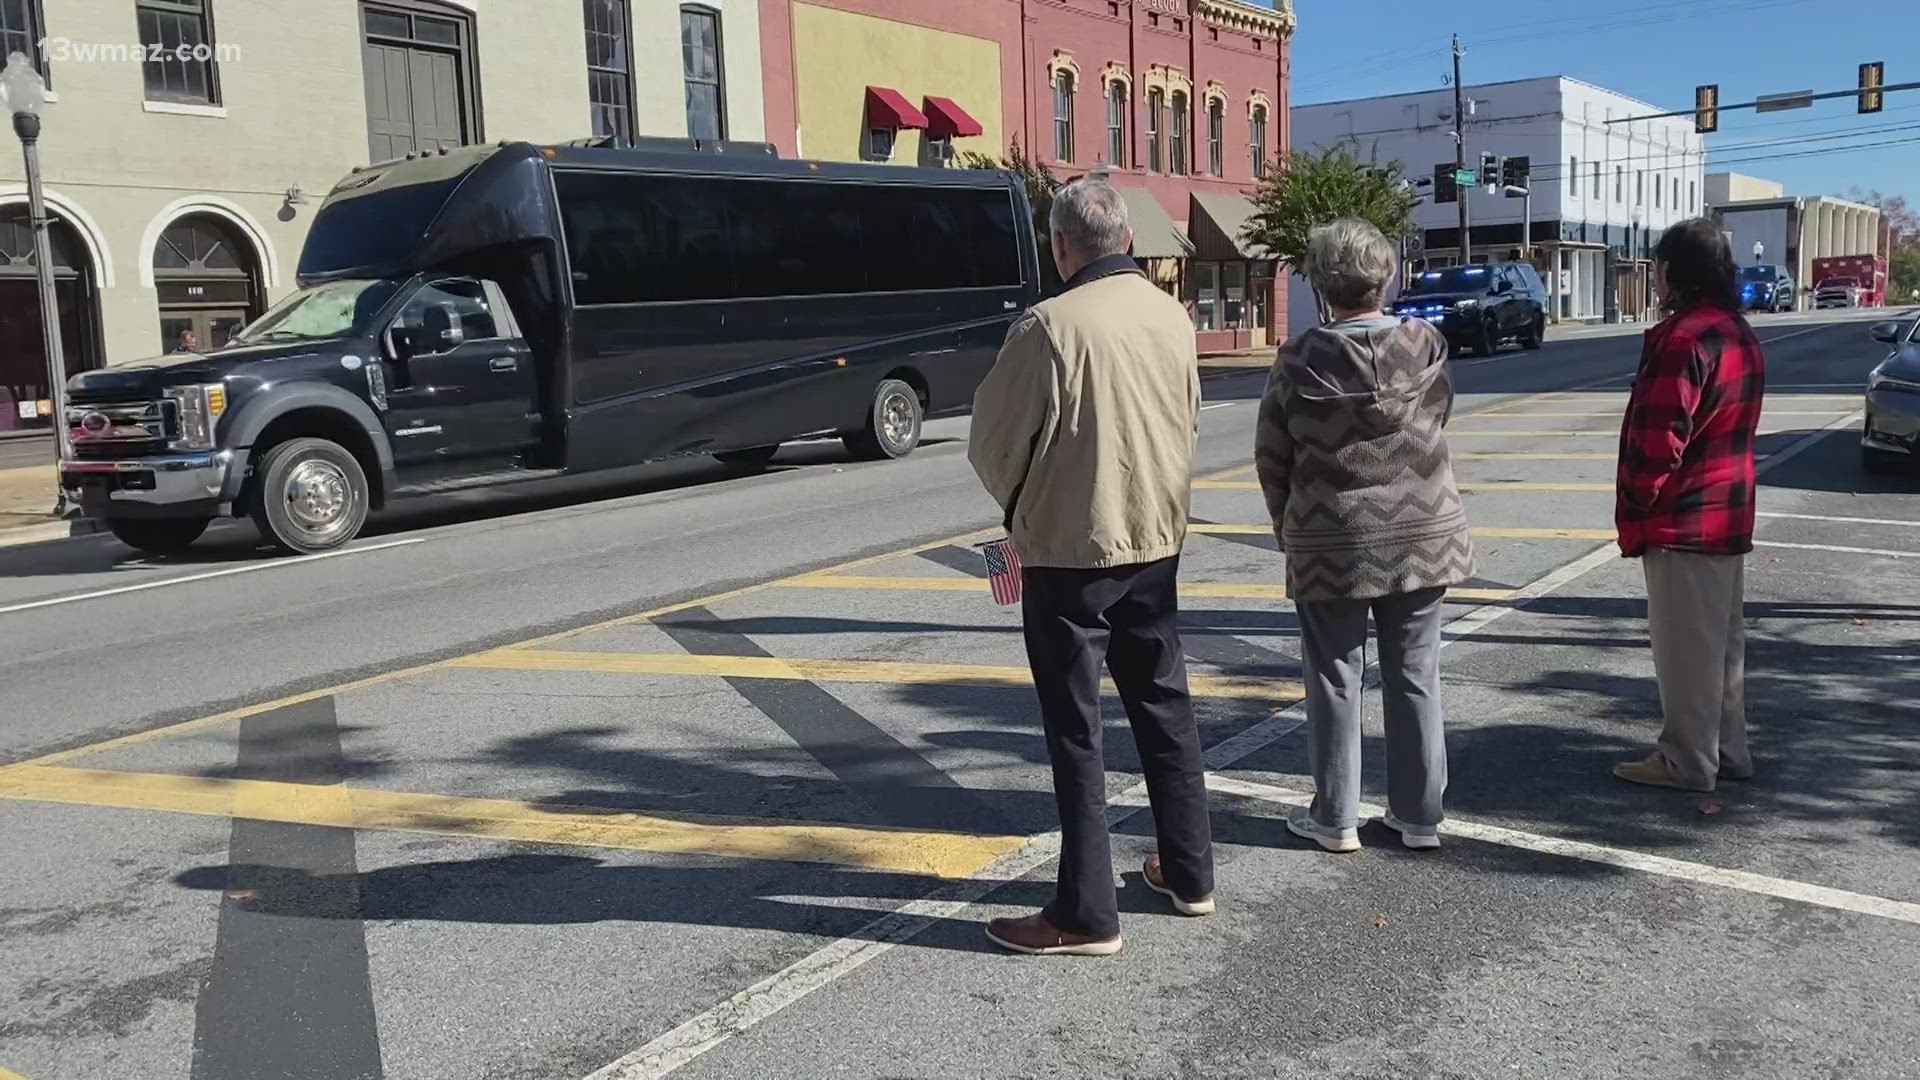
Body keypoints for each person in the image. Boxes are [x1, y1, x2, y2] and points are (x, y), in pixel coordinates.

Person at [969, 179, 1211, 956]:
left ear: (1062, 245)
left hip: (1072, 548)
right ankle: (1190, 870)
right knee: (1165, 708)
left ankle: (1085, 913)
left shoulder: (1047, 326)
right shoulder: (1170, 315)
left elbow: (993, 443)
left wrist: (1021, 509)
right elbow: (1191, 417)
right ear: (1128, 240)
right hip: (1155, 538)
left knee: (1078, 732)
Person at [1254, 218, 1471, 853]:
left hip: (1332, 538)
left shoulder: (1299, 360)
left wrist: (1288, 525)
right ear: (1387, 276)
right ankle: (1420, 815)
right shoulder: (1427, 346)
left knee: (1334, 675)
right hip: (1423, 534)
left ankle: (1336, 817)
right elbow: (1438, 418)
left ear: (1321, 284)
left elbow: (1273, 455)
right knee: (1416, 673)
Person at [1612, 218, 1764, 793]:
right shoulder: (1736, 331)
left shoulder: (1683, 339)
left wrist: (1637, 502)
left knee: (1684, 652)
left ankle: (1687, 761)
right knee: (1722, 650)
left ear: (1670, 272)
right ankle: (1727, 751)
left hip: (1683, 519)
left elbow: (1658, 440)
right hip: (1727, 511)